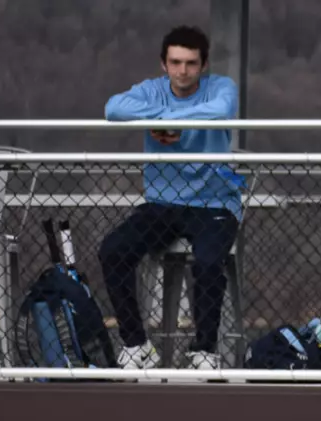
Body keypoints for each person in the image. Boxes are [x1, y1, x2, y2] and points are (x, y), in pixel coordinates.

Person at [99, 25, 245, 372]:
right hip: (162, 204)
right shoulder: (151, 91)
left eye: (191, 63)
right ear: (163, 64)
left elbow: (221, 109)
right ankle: (136, 343)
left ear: (203, 64)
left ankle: (205, 351)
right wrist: (158, 118)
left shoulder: (219, 87)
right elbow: (113, 109)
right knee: (113, 250)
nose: (183, 71)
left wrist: (168, 122)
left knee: (209, 263)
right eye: (175, 62)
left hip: (215, 203)